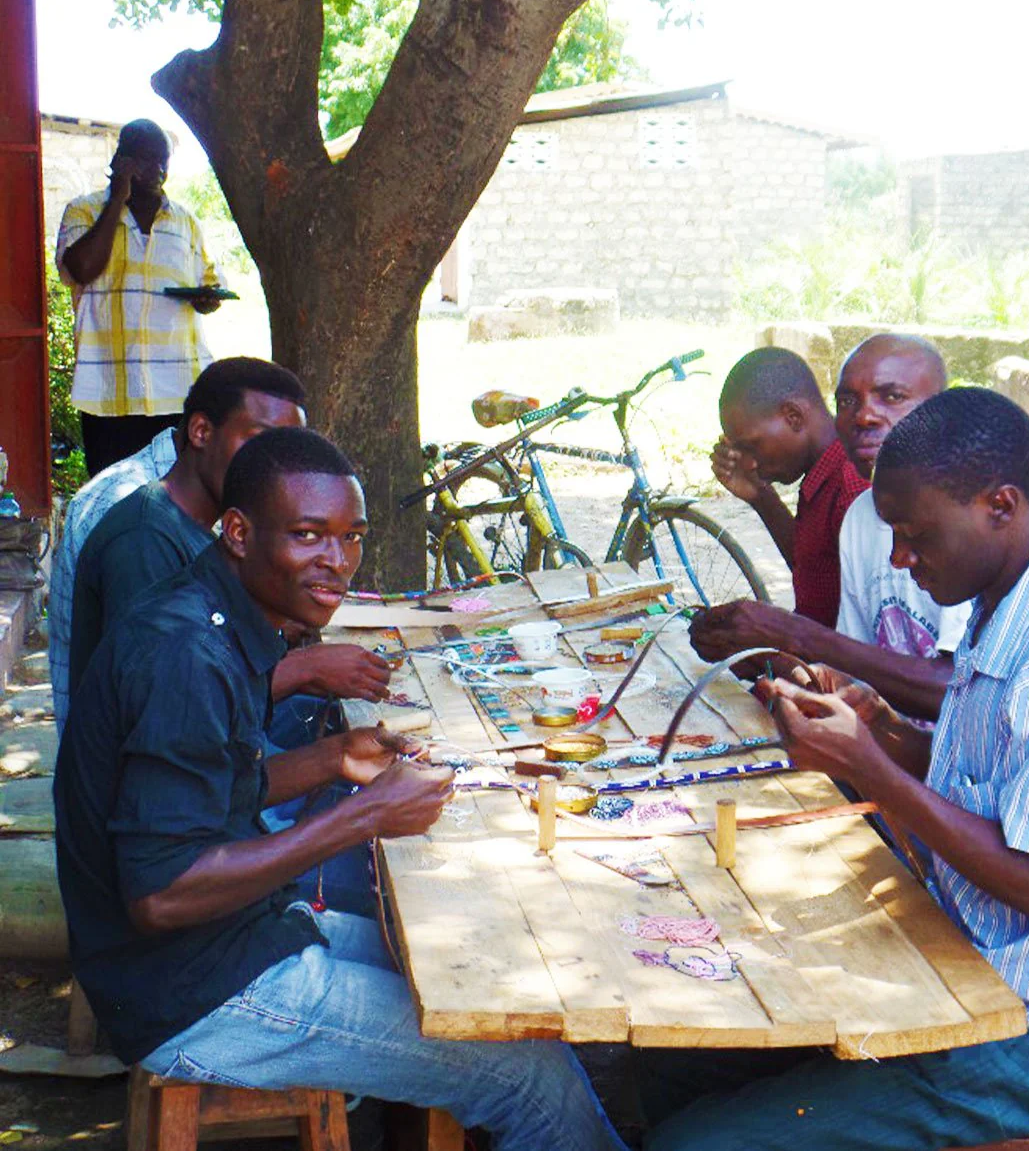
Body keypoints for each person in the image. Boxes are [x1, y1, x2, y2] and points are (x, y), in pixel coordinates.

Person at [54, 428, 625, 1151]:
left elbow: (203, 792)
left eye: (350, 538)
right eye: (308, 536)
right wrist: (363, 818)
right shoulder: (186, 656)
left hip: (237, 939)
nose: (337, 563)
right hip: (192, 996)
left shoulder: (206, 612)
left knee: (482, 985)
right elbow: (162, 894)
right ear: (237, 531)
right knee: (529, 1074)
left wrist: (331, 758)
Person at [643, 388, 1029, 1151]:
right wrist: (881, 733)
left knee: (698, 1144)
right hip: (964, 957)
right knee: (666, 1063)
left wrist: (872, 772)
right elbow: (987, 780)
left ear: (1000, 505)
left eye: (915, 536)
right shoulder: (1005, 593)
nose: (900, 560)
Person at [50, 358, 390, 734]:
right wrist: (308, 669)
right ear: (200, 432)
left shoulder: (198, 504)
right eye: (261, 441)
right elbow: (163, 703)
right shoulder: (140, 533)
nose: (279, 470)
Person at [691, 333, 970, 720]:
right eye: (847, 402)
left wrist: (783, 639)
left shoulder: (858, 483)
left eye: (892, 397)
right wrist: (772, 657)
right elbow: (826, 590)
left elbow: (955, 695)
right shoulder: (859, 511)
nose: (863, 417)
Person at [56, 118, 226, 477]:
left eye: (164, 161)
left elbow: (209, 282)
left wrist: (207, 298)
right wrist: (118, 198)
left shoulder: (186, 222)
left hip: (177, 392)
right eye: (148, 160)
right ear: (122, 161)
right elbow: (82, 269)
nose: (160, 170)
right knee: (112, 507)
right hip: (109, 396)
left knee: (173, 505)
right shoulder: (83, 212)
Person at [710, 349, 867, 627]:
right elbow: (816, 575)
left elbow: (870, 631)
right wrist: (761, 496)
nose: (747, 463)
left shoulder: (851, 485)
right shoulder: (821, 474)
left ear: (793, 416)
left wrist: (776, 635)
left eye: (751, 446)